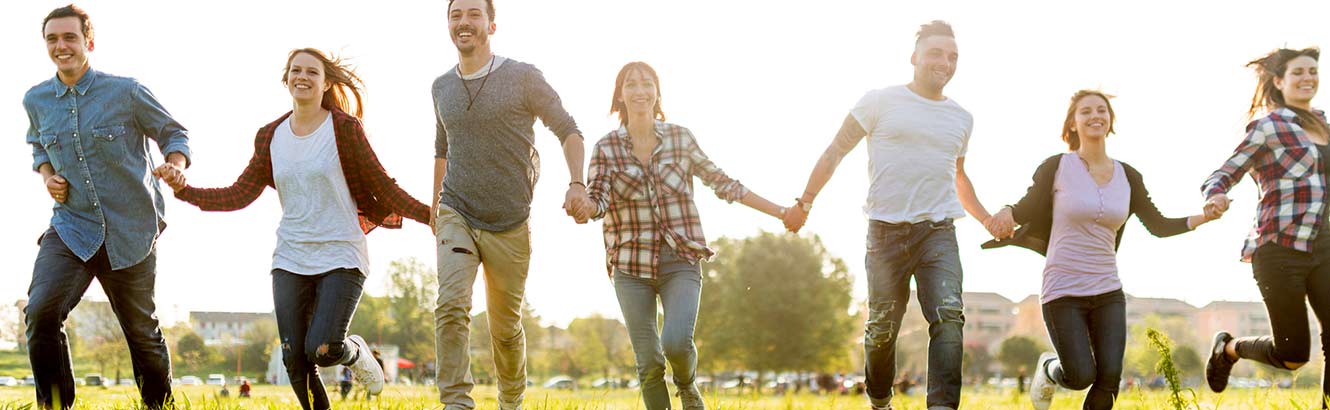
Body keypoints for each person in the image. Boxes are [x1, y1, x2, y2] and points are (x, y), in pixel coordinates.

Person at [164, 48, 430, 410]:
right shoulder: (270, 136)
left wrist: (430, 215)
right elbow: (239, 194)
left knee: (322, 349)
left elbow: (383, 186)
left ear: (326, 83)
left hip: (341, 253)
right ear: (286, 79)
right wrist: (185, 191)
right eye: (295, 71)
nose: (302, 77)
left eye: (311, 72)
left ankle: (353, 353)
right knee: (295, 361)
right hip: (290, 256)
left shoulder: (344, 130)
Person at [781, 20, 995, 410]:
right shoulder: (879, 101)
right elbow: (834, 151)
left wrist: (986, 218)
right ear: (914, 58)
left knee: (949, 315)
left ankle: (942, 406)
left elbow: (958, 176)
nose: (944, 62)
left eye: (953, 56)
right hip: (885, 234)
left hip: (938, 232)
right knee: (881, 328)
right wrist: (805, 201)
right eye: (935, 53)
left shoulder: (961, 119)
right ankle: (880, 401)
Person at [983, 90, 1219, 409]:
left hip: (1108, 290)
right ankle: (1049, 369)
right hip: (1063, 290)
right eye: (1085, 111)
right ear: (1073, 123)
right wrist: (1006, 211)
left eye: (1101, 110)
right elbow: (1026, 204)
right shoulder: (1057, 166)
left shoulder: (1128, 176)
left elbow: (1158, 225)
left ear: (1110, 121)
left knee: (1108, 378)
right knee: (1080, 375)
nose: (1095, 115)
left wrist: (1203, 217)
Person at [579, 62, 786, 410]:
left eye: (647, 83)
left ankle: (687, 386)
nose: (640, 90)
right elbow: (597, 200)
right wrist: (582, 205)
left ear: (658, 93)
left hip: (681, 260)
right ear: (620, 95)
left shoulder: (679, 138)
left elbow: (722, 182)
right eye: (631, 84)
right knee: (648, 363)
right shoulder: (606, 148)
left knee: (675, 343)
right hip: (630, 266)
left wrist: (780, 211)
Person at [22, 5, 187, 409]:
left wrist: (176, 164)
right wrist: (47, 176)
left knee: (141, 333)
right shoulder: (36, 99)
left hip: (130, 228)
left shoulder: (126, 91)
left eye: (70, 37)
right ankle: (55, 406)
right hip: (71, 226)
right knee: (41, 312)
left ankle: (158, 406)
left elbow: (172, 132)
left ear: (88, 42)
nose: (61, 46)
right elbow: (38, 143)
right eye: (52, 39)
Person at [431, 0, 589, 408]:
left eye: (473, 14)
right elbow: (442, 149)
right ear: (448, 25)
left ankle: (512, 401)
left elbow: (569, 129)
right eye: (455, 15)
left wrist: (577, 183)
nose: (463, 22)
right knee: (450, 305)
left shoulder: (522, 77)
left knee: (504, 328)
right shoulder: (441, 87)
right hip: (456, 211)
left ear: (492, 25)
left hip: (510, 221)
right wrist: (436, 209)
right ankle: (456, 402)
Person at [1201, 47, 1330, 408]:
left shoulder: (1325, 126)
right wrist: (1216, 197)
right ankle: (1228, 349)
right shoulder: (1268, 127)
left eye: (1313, 71)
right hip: (1279, 248)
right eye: (1298, 72)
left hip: (1325, 245)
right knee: (1293, 355)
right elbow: (1225, 173)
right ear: (1279, 81)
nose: (1308, 78)